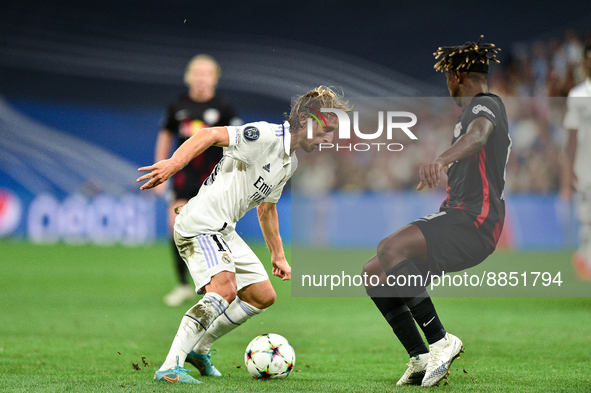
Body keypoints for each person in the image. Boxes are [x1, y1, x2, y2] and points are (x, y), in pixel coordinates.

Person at [138, 86, 351, 384]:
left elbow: (267, 209)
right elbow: (209, 135)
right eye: (327, 129)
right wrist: (173, 164)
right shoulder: (265, 136)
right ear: (305, 120)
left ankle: (199, 348)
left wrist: (279, 256)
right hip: (201, 224)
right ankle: (171, 366)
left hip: (224, 230)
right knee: (223, 290)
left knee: (262, 296)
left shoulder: (290, 162)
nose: (330, 138)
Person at [362, 36, 510, 387]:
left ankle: (442, 341)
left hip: (475, 219)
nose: (448, 86)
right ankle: (420, 356)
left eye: (447, 77)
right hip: (462, 216)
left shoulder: (485, 105)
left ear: (457, 75)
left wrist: (442, 159)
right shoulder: (471, 112)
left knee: (389, 248)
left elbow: (477, 135)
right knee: (374, 272)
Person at [154, 54, 242, 306]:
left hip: (214, 177)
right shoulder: (177, 105)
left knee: (216, 229)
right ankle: (183, 285)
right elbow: (165, 136)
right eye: (197, 73)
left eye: (206, 74)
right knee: (176, 224)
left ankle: (221, 282)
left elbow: (239, 141)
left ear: (214, 78)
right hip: (184, 176)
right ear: (189, 77)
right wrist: (161, 173)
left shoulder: (225, 107)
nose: (201, 79)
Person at [562, 41, 591, 280]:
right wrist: (568, 170)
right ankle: (585, 257)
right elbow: (571, 136)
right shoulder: (578, 95)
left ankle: (585, 256)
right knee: (587, 217)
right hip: (585, 168)